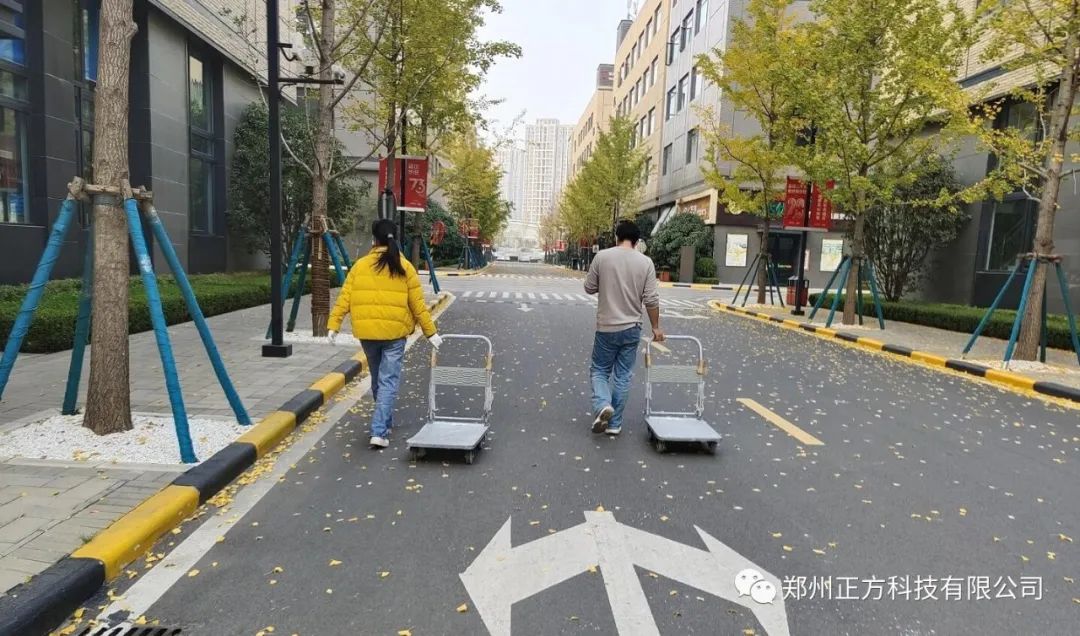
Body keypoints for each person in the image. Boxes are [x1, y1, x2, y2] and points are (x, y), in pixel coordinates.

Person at [327, 219, 443, 448]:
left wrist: (334, 325)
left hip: (367, 333)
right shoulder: (405, 266)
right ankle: (379, 431)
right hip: (395, 334)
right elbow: (418, 305)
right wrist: (431, 333)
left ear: (374, 239)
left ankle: (384, 424)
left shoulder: (360, 266)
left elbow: (344, 298)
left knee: (378, 378)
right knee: (388, 381)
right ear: (395, 238)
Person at [584, 220, 664, 435]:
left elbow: (589, 287)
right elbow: (651, 299)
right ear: (637, 241)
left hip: (606, 327)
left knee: (599, 371)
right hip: (632, 328)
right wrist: (656, 327)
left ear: (616, 237)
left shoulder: (602, 257)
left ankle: (603, 404)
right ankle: (614, 424)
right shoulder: (646, 263)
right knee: (623, 376)